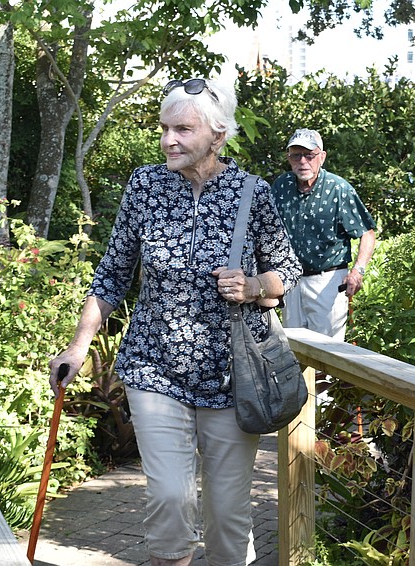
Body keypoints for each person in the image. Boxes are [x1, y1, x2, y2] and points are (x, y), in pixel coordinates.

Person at [48, 78, 300, 566]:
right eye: (165, 128)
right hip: (154, 367)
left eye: (183, 129)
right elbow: (113, 272)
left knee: (228, 514)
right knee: (169, 502)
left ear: (218, 135)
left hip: (232, 377)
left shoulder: (252, 192)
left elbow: (286, 269)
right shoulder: (145, 185)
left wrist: (253, 286)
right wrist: (78, 346)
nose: (169, 140)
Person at [271, 128, 377, 341]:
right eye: (296, 155)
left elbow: (367, 233)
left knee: (327, 352)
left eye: (309, 155)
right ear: (288, 158)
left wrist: (358, 272)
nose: (303, 161)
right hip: (290, 280)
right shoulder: (281, 186)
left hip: (327, 280)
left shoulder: (338, 189)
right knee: (293, 348)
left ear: (322, 157)